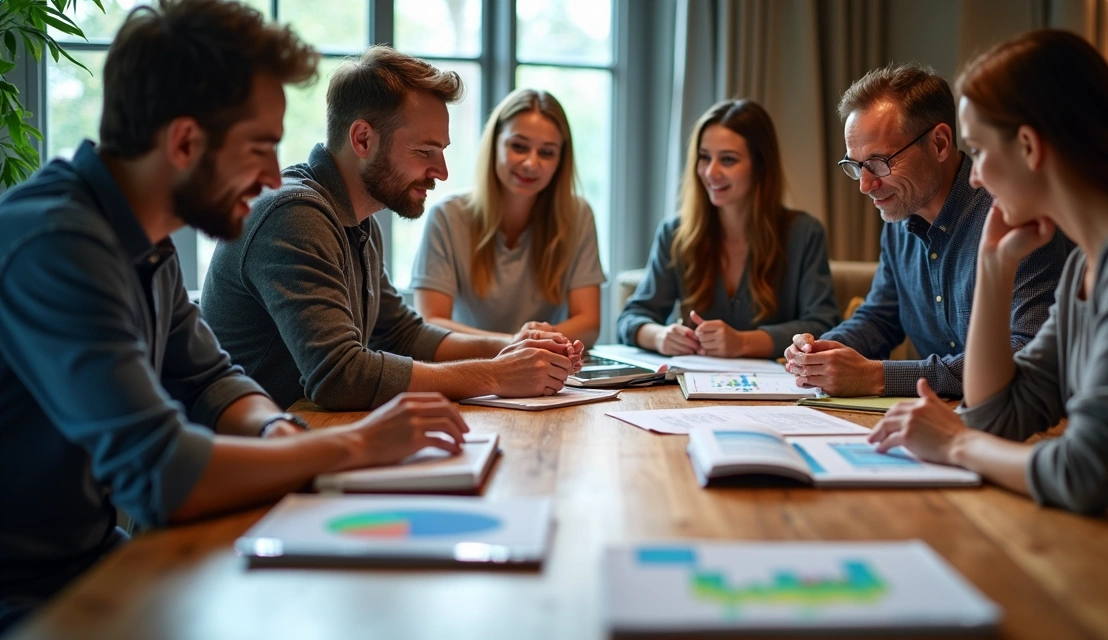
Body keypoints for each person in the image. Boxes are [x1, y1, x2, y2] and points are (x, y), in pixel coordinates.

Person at [0, 1, 469, 631]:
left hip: (90, 561)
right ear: (185, 141)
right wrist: (352, 444)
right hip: (27, 596)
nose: (275, 174)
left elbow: (210, 381)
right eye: (260, 148)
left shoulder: (144, 237)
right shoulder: (57, 245)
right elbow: (162, 473)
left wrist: (279, 432)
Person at [868, 30, 1108, 583]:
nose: (975, 174)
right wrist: (994, 267)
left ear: (1029, 147)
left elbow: (1086, 469)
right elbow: (997, 415)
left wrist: (959, 444)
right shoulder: (1088, 262)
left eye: (979, 151)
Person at [202, 48, 583, 411]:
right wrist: (496, 375)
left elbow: (403, 334)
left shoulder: (359, 220)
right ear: (363, 139)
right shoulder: (293, 214)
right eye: (424, 151)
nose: (442, 172)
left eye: (443, 151)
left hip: (306, 435)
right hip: (257, 454)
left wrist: (513, 344)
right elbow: (340, 376)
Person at [784, 63, 1071, 398]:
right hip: (940, 417)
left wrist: (880, 377)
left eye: (878, 163)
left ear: (939, 143)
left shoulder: (1014, 218)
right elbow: (880, 318)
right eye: (856, 166)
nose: (865, 185)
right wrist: (822, 353)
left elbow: (1026, 352)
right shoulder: (898, 218)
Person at [617, 99, 840, 359]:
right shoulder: (675, 232)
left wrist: (743, 342)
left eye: (728, 160)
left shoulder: (804, 233)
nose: (711, 172)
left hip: (780, 388)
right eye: (704, 158)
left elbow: (824, 326)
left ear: (760, 166)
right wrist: (659, 336)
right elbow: (630, 318)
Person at [412, 89, 605, 346]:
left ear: (561, 160)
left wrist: (529, 344)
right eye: (519, 146)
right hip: (469, 368)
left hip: (548, 368)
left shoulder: (578, 215)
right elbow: (431, 321)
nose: (530, 164)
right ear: (495, 144)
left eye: (547, 153)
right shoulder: (447, 216)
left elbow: (589, 323)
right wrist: (516, 343)